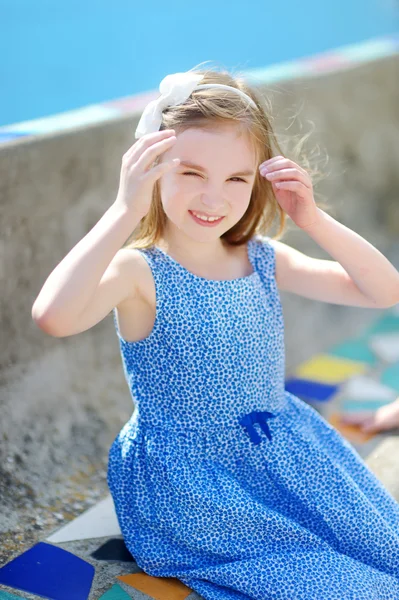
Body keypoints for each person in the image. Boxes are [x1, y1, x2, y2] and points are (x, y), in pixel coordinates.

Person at [32, 66, 399, 599]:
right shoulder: (139, 272)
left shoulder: (261, 258)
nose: (213, 198)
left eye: (236, 179)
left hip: (280, 451)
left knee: (386, 553)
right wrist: (121, 209)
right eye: (191, 173)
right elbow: (54, 316)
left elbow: (383, 291)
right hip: (194, 481)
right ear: (153, 169)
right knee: (342, 585)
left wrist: (313, 219)